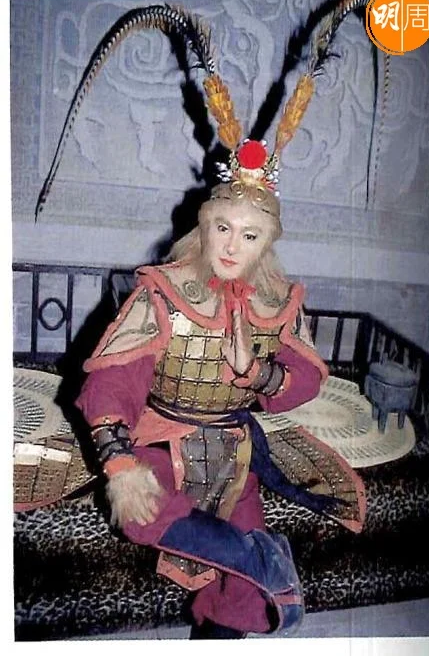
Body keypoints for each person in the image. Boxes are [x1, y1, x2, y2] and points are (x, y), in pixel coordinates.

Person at [76, 141, 366, 638]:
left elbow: (308, 379)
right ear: (204, 229)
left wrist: (256, 373)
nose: (232, 247)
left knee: (247, 596)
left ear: (265, 244)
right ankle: (257, 557)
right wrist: (120, 463)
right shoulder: (162, 293)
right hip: (164, 437)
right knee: (138, 514)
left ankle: (244, 582)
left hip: (234, 449)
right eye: (223, 229)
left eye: (249, 235)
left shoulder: (279, 301)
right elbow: (111, 381)